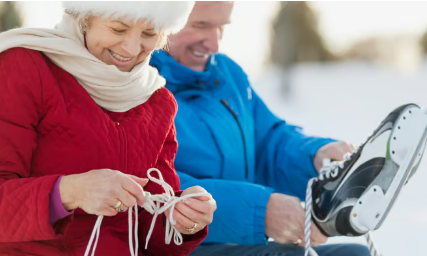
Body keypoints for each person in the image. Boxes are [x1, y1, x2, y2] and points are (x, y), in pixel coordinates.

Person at [150, 1, 370, 256]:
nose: (214, 44)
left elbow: (267, 143)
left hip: (236, 242)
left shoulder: (227, 74)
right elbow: (150, 182)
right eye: (200, 25)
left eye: (221, 27)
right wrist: (260, 212)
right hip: (170, 246)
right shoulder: (131, 82)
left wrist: (316, 157)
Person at [0, 2, 217, 256]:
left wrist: (182, 220)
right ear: (85, 18)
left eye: (148, 33)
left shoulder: (157, 100)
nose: (132, 48)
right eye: (118, 29)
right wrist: (68, 192)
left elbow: (151, 237)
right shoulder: (24, 68)